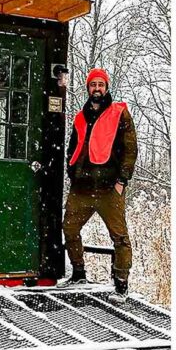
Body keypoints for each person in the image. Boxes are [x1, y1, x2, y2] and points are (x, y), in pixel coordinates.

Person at [58, 68, 138, 304]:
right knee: (69, 229)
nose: (97, 89)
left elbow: (130, 149)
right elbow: (73, 147)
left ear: (107, 87)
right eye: (93, 84)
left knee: (120, 238)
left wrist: (122, 181)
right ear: (87, 87)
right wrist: (71, 171)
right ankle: (79, 273)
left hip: (109, 189)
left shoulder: (119, 112)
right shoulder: (80, 117)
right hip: (81, 188)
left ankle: (121, 286)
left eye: (101, 84)